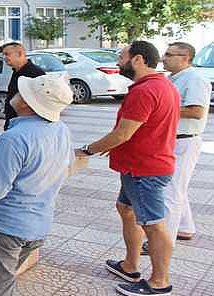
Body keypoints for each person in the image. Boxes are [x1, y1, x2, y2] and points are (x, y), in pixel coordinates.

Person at [0, 74, 74, 296]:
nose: (16, 93)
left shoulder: (15, 138)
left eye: (22, 91)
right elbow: (64, 169)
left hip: (3, 230)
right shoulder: (61, 130)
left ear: (27, 103)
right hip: (35, 225)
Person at [76, 41, 179, 296]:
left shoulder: (144, 91)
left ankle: (159, 282)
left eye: (122, 57)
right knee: (126, 209)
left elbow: (122, 133)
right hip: (139, 165)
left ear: (138, 60)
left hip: (145, 170)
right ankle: (130, 266)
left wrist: (88, 149)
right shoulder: (162, 85)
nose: (118, 62)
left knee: (153, 224)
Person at [158, 42, 211, 241]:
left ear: (185, 57)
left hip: (184, 141)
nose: (164, 58)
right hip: (173, 140)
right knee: (178, 187)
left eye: (170, 54)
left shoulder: (194, 79)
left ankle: (165, 240)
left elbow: (196, 112)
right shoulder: (173, 78)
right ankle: (185, 226)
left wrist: (160, 110)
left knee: (171, 192)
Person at [0, 42, 45, 130]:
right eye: (3, 55)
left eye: (7, 54)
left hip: (27, 123)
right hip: (13, 120)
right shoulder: (16, 71)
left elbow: (42, 99)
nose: (4, 58)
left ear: (20, 54)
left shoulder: (35, 73)